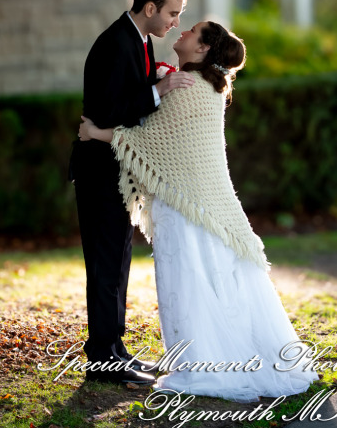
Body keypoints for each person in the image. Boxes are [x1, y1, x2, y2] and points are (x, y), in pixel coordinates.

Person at [78, 21, 318, 402]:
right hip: (197, 205)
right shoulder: (201, 86)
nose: (183, 31)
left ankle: (204, 364)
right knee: (207, 283)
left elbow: (148, 141)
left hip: (186, 208)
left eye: (192, 30)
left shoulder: (188, 89)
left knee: (188, 284)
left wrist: (97, 134)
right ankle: (213, 358)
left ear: (203, 49)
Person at [69, 0, 195, 387]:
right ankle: (102, 358)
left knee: (118, 261)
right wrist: (158, 89)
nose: (175, 22)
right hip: (99, 170)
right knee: (105, 265)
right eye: (173, 13)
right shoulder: (114, 42)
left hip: (118, 172)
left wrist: (157, 88)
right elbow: (106, 112)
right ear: (150, 8)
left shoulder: (141, 40)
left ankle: (114, 349)